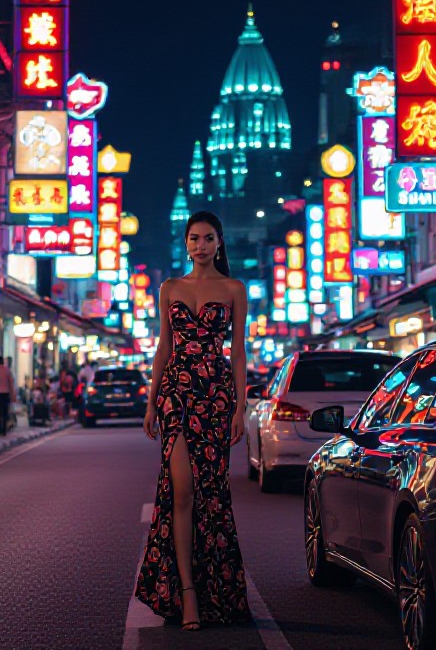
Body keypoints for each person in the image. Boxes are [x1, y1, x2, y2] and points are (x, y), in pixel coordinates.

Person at [135, 211, 250, 630]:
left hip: (216, 396)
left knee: (211, 492)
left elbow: (237, 354)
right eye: (193, 238)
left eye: (207, 238)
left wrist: (239, 407)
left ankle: (215, 587)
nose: (199, 245)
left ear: (219, 242)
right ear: (185, 243)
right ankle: (186, 593)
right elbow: (164, 347)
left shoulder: (235, 288)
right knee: (180, 489)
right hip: (176, 395)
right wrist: (151, 403)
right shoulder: (169, 288)